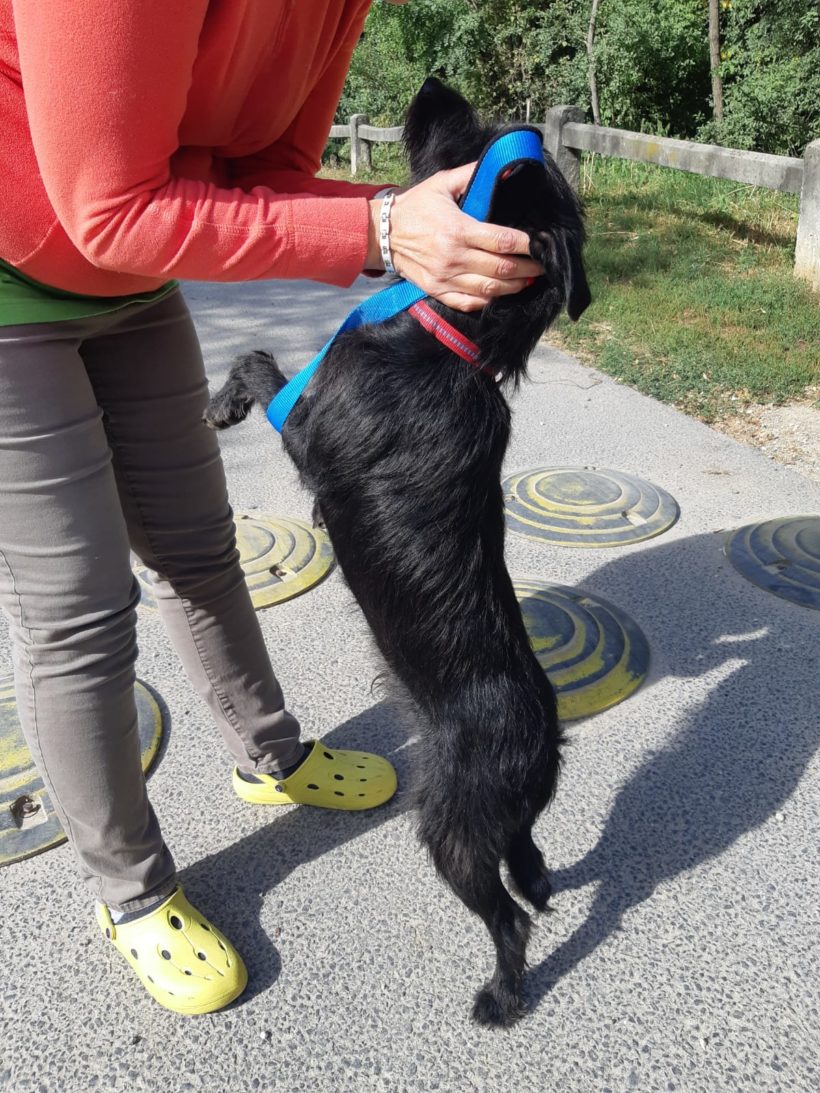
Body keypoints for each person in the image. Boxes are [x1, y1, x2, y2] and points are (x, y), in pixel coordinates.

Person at [0, 0, 544, 1015]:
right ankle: (132, 889)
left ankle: (269, 753)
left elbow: (267, 176)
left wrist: (410, 223)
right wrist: (381, 227)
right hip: (16, 264)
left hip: (132, 279)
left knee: (199, 549)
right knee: (78, 609)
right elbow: (107, 206)